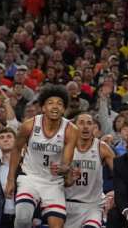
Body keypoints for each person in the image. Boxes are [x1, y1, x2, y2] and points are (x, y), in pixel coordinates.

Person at [7, 86, 79, 228]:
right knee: (22, 219)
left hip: (53, 182)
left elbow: (66, 162)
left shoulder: (71, 130)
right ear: (43, 107)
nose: (55, 106)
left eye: (59, 103)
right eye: (50, 103)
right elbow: (16, 149)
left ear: (64, 109)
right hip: (30, 177)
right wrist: (10, 179)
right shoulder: (29, 125)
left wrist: (64, 168)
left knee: (57, 225)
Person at [66, 112, 116, 228]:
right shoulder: (65, 147)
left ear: (94, 127)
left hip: (94, 206)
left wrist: (115, 192)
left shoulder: (102, 148)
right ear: (74, 126)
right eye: (81, 123)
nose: (85, 126)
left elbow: (121, 175)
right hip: (68, 203)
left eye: (89, 123)